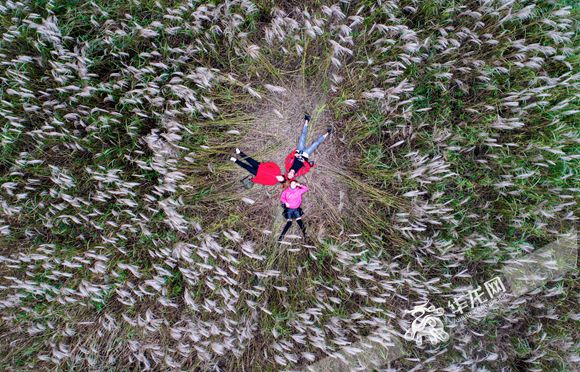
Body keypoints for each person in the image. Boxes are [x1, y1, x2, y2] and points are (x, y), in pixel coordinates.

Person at [285, 113, 333, 180]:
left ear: (287, 173)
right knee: (315, 143)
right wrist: (303, 161)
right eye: (291, 176)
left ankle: (307, 120)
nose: (290, 174)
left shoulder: (287, 167)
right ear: (293, 177)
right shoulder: (299, 173)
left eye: (289, 175)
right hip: (306, 154)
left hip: (299, 150)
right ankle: (328, 133)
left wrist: (294, 154)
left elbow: (288, 158)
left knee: (303, 136)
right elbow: (307, 168)